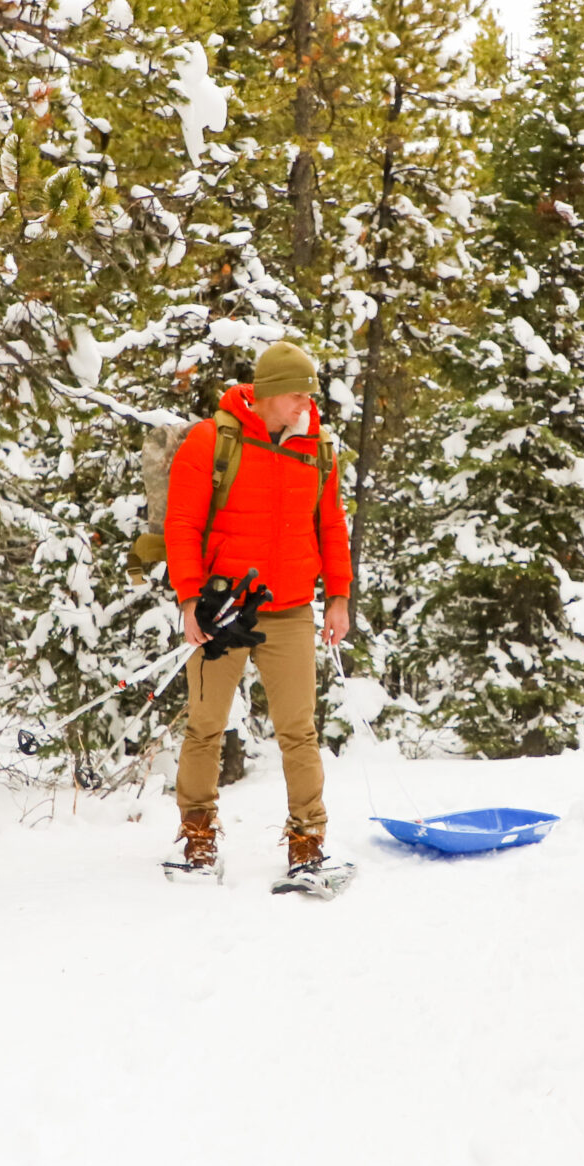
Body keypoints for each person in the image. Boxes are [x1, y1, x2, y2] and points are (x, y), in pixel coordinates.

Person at [166, 341, 351, 883]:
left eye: (308, 396)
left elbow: (331, 525)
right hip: (222, 608)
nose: (304, 405)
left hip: (291, 607)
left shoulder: (317, 447)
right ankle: (198, 834)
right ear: (269, 392)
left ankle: (307, 840)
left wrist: (337, 596)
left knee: (299, 729)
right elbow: (181, 525)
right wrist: (188, 600)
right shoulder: (211, 441)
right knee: (205, 725)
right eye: (297, 395)